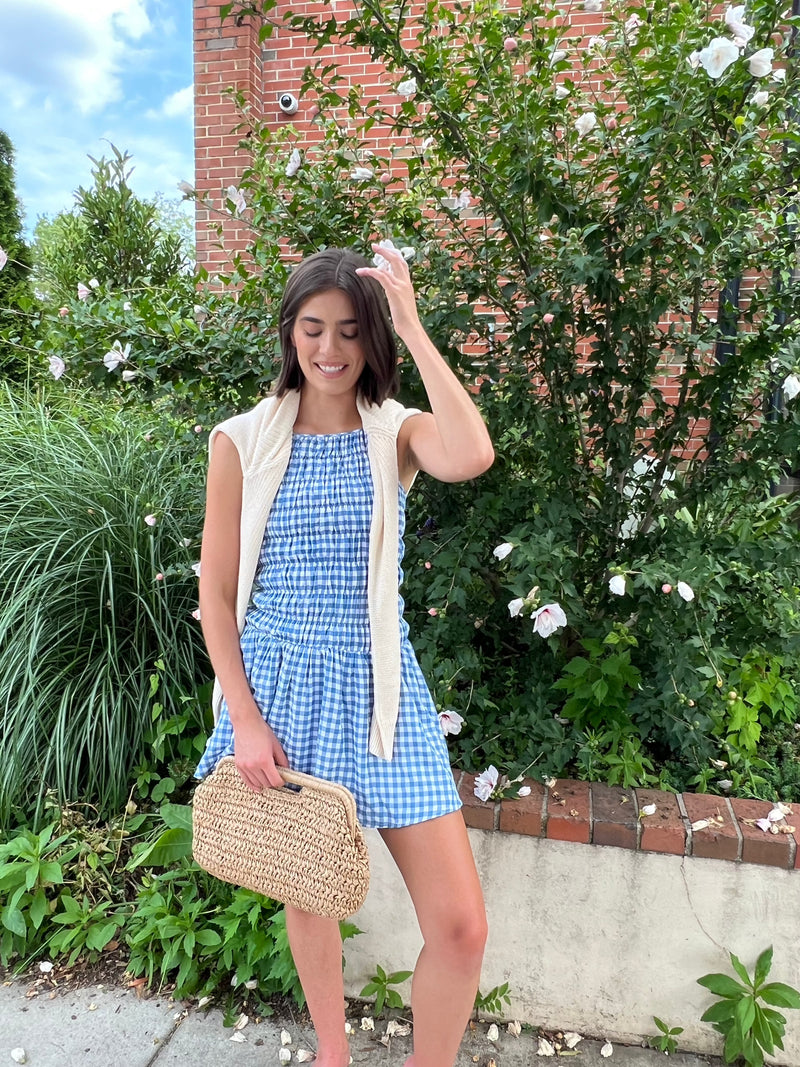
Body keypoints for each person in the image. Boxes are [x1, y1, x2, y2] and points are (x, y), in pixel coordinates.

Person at [195, 242, 494, 1067]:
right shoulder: (242, 439)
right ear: (289, 333)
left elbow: (471, 454)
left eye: (352, 331)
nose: (330, 349)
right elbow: (215, 594)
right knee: (309, 887)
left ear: (373, 340)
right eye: (313, 328)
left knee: (462, 928)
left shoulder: (393, 430)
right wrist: (245, 720)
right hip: (281, 686)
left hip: (380, 689)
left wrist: (415, 326)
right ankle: (333, 1054)